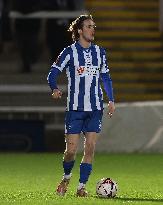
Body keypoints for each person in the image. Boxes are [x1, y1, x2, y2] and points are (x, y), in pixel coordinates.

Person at [47, 14, 115, 197]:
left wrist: (111, 100)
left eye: (94, 26)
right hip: (75, 109)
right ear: (79, 30)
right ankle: (66, 177)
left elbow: (106, 77)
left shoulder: (100, 52)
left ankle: (81, 187)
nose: (93, 29)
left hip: (95, 108)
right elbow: (52, 74)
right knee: (70, 151)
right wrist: (54, 88)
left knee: (90, 147)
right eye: (89, 26)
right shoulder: (69, 52)